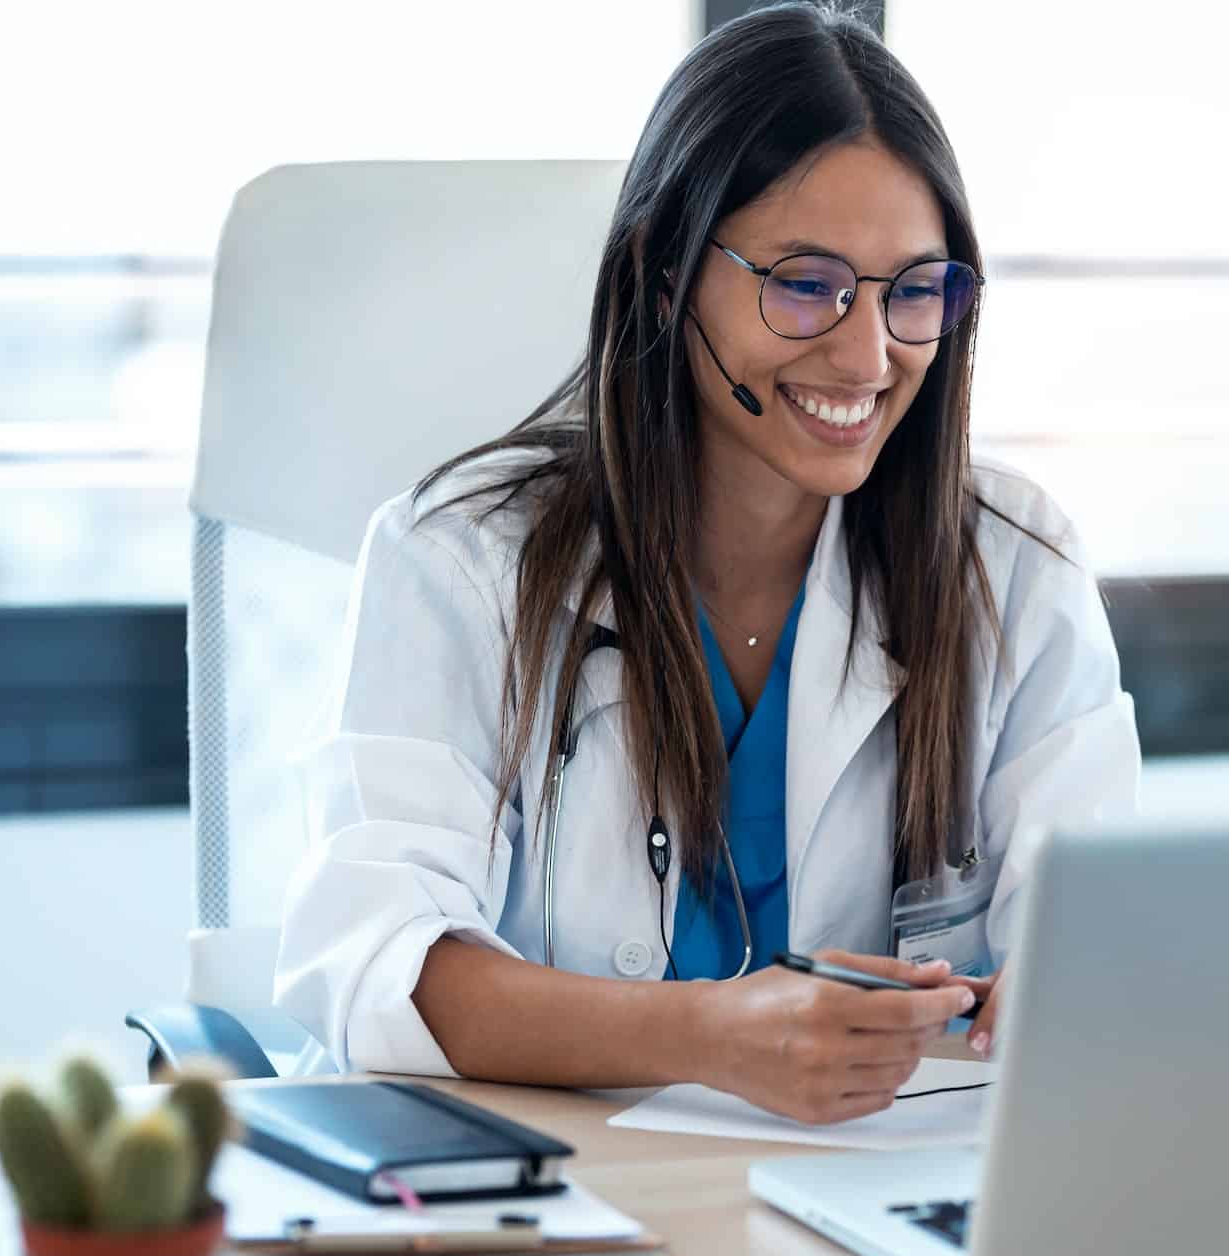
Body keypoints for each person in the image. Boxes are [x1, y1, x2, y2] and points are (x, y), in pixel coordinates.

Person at [275, 0, 1140, 1125]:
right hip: (557, 1209)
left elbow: (1104, 923)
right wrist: (712, 1036)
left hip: (878, 1221)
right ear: (664, 274)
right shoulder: (463, 561)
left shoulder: (1011, 567)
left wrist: (1076, 991)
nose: (868, 353)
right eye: (803, 281)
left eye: (913, 291)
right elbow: (376, 964)